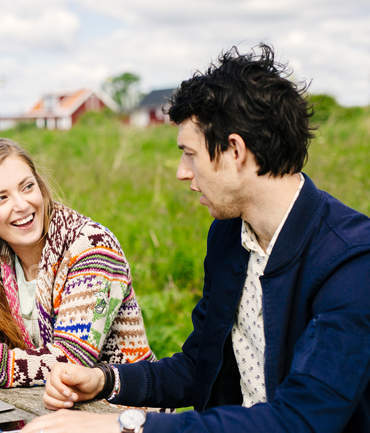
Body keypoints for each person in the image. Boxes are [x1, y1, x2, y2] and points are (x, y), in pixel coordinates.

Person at [22, 44, 370, 432]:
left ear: (234, 151)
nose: (181, 172)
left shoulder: (351, 260)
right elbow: (199, 366)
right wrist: (105, 380)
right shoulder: (228, 235)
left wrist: (121, 427)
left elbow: (302, 420)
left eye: (189, 154)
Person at [0, 138, 154, 387]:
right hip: (50, 407)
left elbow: (71, 362)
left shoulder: (92, 247)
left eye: (27, 187)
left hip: (125, 409)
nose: (22, 205)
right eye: (1, 198)